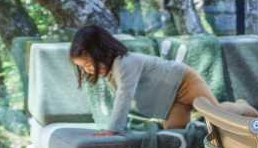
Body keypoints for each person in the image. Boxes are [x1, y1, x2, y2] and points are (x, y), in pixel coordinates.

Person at [69, 24, 215, 132]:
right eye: (82, 67)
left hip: (184, 82)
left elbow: (124, 96)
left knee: (218, 117)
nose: (87, 69)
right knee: (174, 133)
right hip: (171, 102)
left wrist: (113, 129)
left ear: (101, 52)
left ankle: (237, 108)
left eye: (88, 64)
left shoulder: (124, 63)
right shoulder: (111, 73)